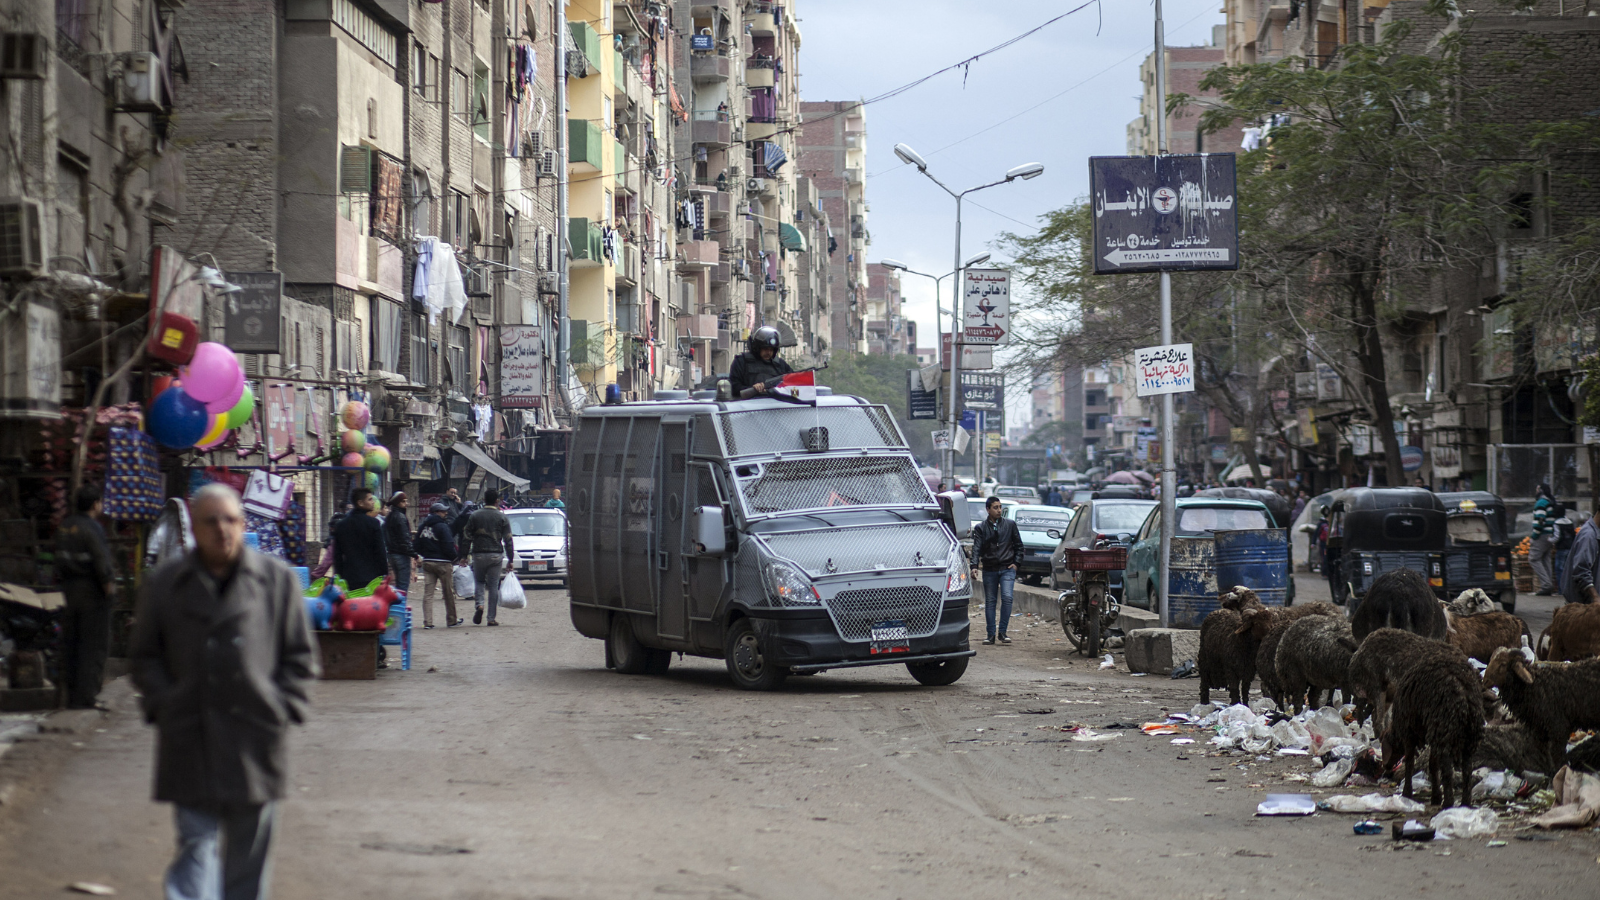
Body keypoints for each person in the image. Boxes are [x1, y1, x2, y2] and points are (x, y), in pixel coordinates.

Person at [130, 484, 317, 900]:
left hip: (256, 737)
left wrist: (282, 707)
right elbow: (145, 657)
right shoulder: (166, 583)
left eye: (230, 520)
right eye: (210, 521)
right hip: (189, 734)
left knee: (248, 860)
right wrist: (165, 704)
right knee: (196, 847)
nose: (222, 530)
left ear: (243, 524)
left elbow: (300, 657)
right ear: (193, 528)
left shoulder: (276, 581)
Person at [55, 485, 116, 709]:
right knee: (93, 645)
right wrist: (108, 588)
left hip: (70, 592)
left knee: (72, 644)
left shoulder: (65, 526)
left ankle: (71, 696)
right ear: (95, 504)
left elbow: (58, 562)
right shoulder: (93, 529)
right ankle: (87, 697)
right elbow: (101, 562)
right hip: (92, 593)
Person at [970, 496, 1023, 646]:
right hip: (989, 569)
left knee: (1007, 598)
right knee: (991, 601)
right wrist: (974, 566)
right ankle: (991, 634)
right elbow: (976, 549)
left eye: (1000, 507)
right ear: (988, 510)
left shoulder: (1010, 525)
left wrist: (1016, 564)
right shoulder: (981, 528)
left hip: (1007, 568)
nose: (999, 510)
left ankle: (1003, 632)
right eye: (995, 507)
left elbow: (1019, 546)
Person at [461, 488, 516, 626]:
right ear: (497, 501)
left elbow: (466, 536)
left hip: (478, 554)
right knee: (493, 586)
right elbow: (508, 539)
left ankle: (479, 605)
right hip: (495, 555)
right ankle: (491, 618)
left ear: (484, 500)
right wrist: (510, 559)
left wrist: (463, 555)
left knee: (479, 582)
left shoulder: (475, 515)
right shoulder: (502, 517)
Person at [414, 501, 460, 628]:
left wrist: (424, 554)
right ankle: (452, 620)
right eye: (443, 511)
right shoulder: (442, 526)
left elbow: (416, 545)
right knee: (448, 593)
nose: (445, 513)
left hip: (427, 563)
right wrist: (454, 557)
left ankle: (427, 622)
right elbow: (448, 545)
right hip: (443, 563)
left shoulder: (423, 526)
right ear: (436, 513)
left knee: (428, 594)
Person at [333, 487, 387, 590]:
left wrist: (339, 575)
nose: (373, 502)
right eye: (370, 499)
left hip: (349, 577)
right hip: (372, 577)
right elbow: (380, 551)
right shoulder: (373, 523)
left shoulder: (341, 525)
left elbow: (337, 554)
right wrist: (383, 575)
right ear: (360, 503)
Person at [728, 326, 791, 396]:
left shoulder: (780, 365)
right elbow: (734, 387)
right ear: (757, 348)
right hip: (748, 404)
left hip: (774, 403)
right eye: (765, 349)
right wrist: (752, 389)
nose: (768, 352)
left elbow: (792, 381)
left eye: (771, 349)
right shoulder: (742, 362)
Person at [382, 491, 419, 593]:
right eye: (403, 501)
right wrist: (414, 555)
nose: (406, 504)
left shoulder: (389, 517)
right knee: (402, 586)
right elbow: (404, 539)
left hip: (392, 553)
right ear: (398, 503)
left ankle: (397, 607)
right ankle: (400, 607)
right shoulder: (400, 517)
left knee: (397, 585)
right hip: (401, 554)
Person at [1562, 512, 1599, 605]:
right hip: (1583, 608)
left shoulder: (1595, 534)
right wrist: (1596, 597)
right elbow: (1581, 571)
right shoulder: (1589, 536)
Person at [1530, 484, 1557, 595]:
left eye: (1537, 489)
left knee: (1533, 559)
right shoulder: (1549, 502)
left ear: (1540, 490)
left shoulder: (1541, 502)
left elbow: (1540, 521)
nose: (1535, 491)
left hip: (1541, 535)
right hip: (1549, 535)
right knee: (1545, 559)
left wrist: (1534, 536)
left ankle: (1546, 585)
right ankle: (1548, 585)